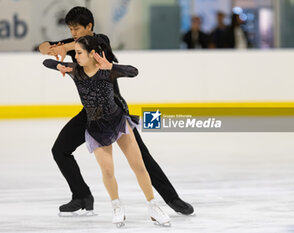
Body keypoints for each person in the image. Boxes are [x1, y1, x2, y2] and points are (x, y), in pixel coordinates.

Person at [38, 6, 194, 216]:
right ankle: (82, 196)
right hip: (90, 114)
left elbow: (94, 44)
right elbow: (50, 54)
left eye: (76, 29)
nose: (73, 33)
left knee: (142, 158)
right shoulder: (75, 46)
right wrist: (56, 51)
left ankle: (172, 198)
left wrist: (64, 47)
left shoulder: (101, 41)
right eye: (71, 29)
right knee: (60, 150)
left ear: (89, 26)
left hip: (114, 111)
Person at [43, 35, 171, 227]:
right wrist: (58, 66)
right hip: (96, 127)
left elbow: (133, 71)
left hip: (118, 122)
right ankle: (117, 206)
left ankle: (153, 206)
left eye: (79, 53)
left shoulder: (107, 72)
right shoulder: (75, 71)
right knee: (108, 171)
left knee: (139, 166)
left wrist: (112, 66)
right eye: (75, 53)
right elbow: (46, 61)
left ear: (92, 54)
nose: (75, 57)